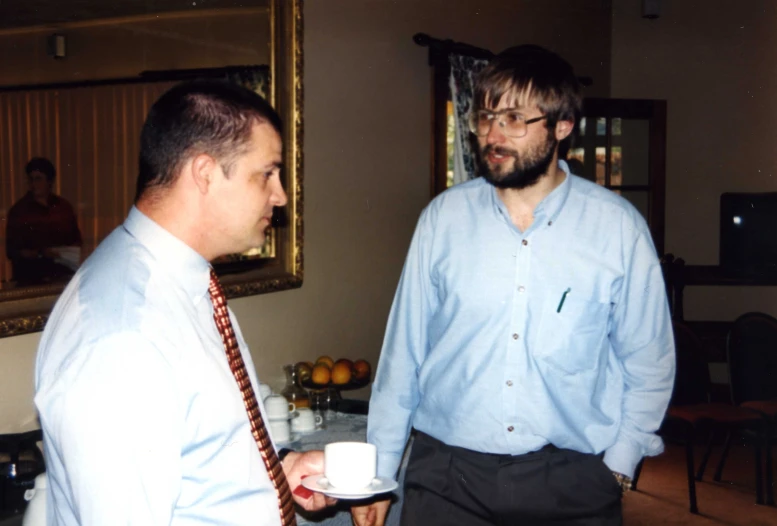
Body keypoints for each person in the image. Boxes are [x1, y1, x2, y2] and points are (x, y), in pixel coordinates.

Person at [353, 45, 675, 526]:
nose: (493, 135)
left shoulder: (618, 229)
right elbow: (404, 355)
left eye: (514, 120)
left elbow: (648, 361)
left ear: (562, 126)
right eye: (485, 118)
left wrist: (619, 467)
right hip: (446, 479)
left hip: (569, 480)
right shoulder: (443, 219)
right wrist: (378, 472)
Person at [35, 81, 334, 525]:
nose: (281, 195)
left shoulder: (182, 283)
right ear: (205, 173)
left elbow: (201, 454)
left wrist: (278, 472)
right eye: (267, 173)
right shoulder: (124, 337)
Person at [6, 157, 82, 285]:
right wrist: (40, 253)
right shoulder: (19, 211)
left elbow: (76, 241)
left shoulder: (63, 207)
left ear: (50, 181)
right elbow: (12, 251)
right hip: (31, 281)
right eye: (30, 179)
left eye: (38, 179)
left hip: (62, 277)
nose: (33, 184)